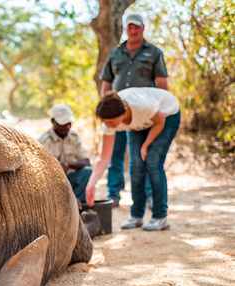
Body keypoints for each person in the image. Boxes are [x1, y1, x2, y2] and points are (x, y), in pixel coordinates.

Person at [85, 88, 180, 231]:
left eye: (110, 122)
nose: (108, 126)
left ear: (123, 112)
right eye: (105, 122)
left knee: (153, 161)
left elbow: (160, 121)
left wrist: (146, 145)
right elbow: (104, 158)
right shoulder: (110, 120)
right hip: (141, 123)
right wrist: (91, 184)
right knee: (136, 165)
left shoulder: (141, 105)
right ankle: (136, 216)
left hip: (167, 115)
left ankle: (160, 217)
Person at [99, 13, 169, 208]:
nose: (133, 30)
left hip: (141, 112)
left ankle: (146, 196)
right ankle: (113, 194)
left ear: (142, 28)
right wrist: (105, 108)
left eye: (136, 27)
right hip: (117, 112)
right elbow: (106, 82)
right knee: (115, 153)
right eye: (129, 27)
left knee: (141, 156)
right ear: (125, 29)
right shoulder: (115, 53)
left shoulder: (154, 52)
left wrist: (160, 111)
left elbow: (162, 83)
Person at [38, 104, 93, 203]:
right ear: (53, 121)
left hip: (70, 180)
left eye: (69, 123)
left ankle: (79, 205)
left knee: (87, 171)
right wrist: (57, 170)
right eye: (63, 124)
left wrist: (68, 164)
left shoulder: (73, 137)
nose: (67, 127)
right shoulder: (43, 141)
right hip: (51, 184)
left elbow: (86, 161)